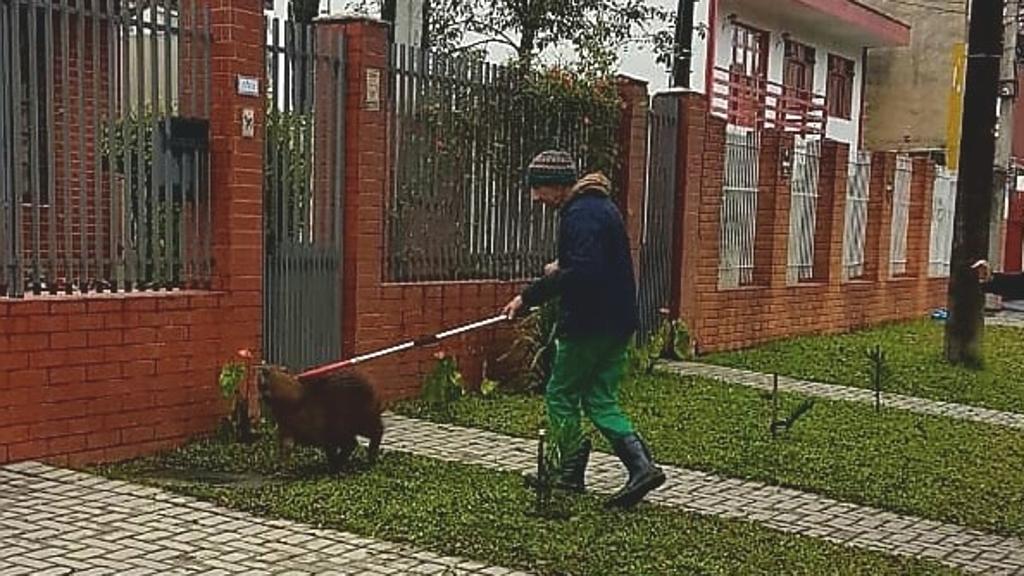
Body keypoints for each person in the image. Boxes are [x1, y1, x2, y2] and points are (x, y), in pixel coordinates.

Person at [502, 150, 666, 509]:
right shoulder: (601, 209)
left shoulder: (579, 215)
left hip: (588, 324)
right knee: (599, 399)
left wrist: (528, 297)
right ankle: (642, 466)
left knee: (561, 394)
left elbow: (584, 273)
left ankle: (567, 468)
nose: (535, 197)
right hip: (619, 322)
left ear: (558, 185)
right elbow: (594, 263)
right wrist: (563, 264)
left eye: (539, 188)